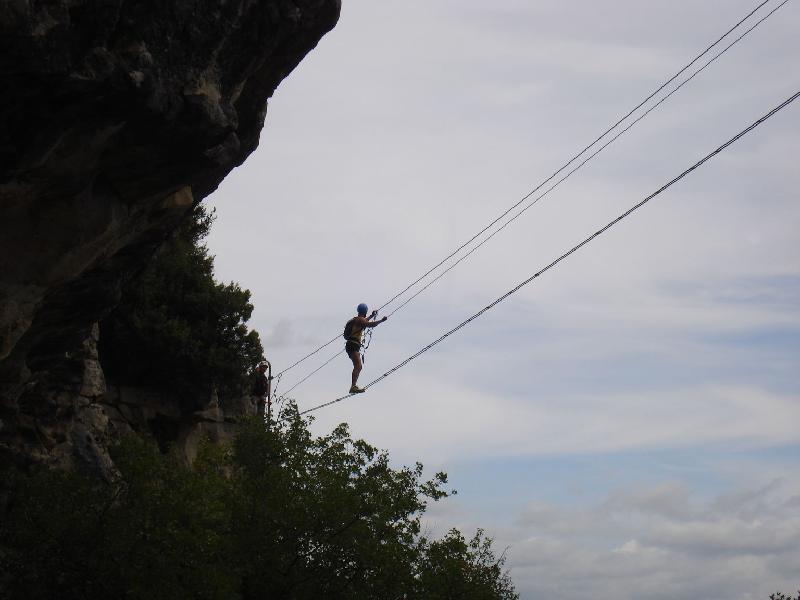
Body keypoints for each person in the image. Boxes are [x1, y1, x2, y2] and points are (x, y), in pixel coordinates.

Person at [344, 303, 387, 394]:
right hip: (353, 344)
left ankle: (353, 386)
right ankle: (353, 386)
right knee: (358, 366)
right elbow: (369, 324)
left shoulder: (356, 319)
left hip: (351, 344)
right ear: (365, 311)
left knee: (358, 365)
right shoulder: (360, 320)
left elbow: (365, 321)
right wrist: (381, 321)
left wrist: (372, 315)